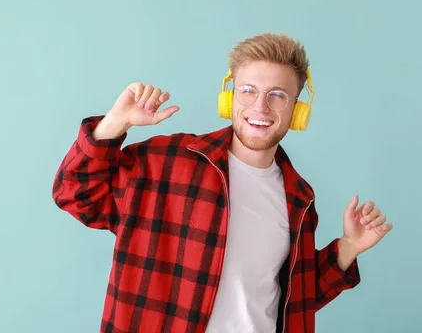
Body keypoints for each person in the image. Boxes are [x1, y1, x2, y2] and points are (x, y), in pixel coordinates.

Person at [52, 33, 392, 333]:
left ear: (297, 110)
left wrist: (349, 247)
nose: (261, 106)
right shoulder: (164, 162)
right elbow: (74, 194)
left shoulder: (299, 199)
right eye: (248, 91)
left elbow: (290, 301)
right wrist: (115, 122)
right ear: (229, 98)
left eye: (277, 95)